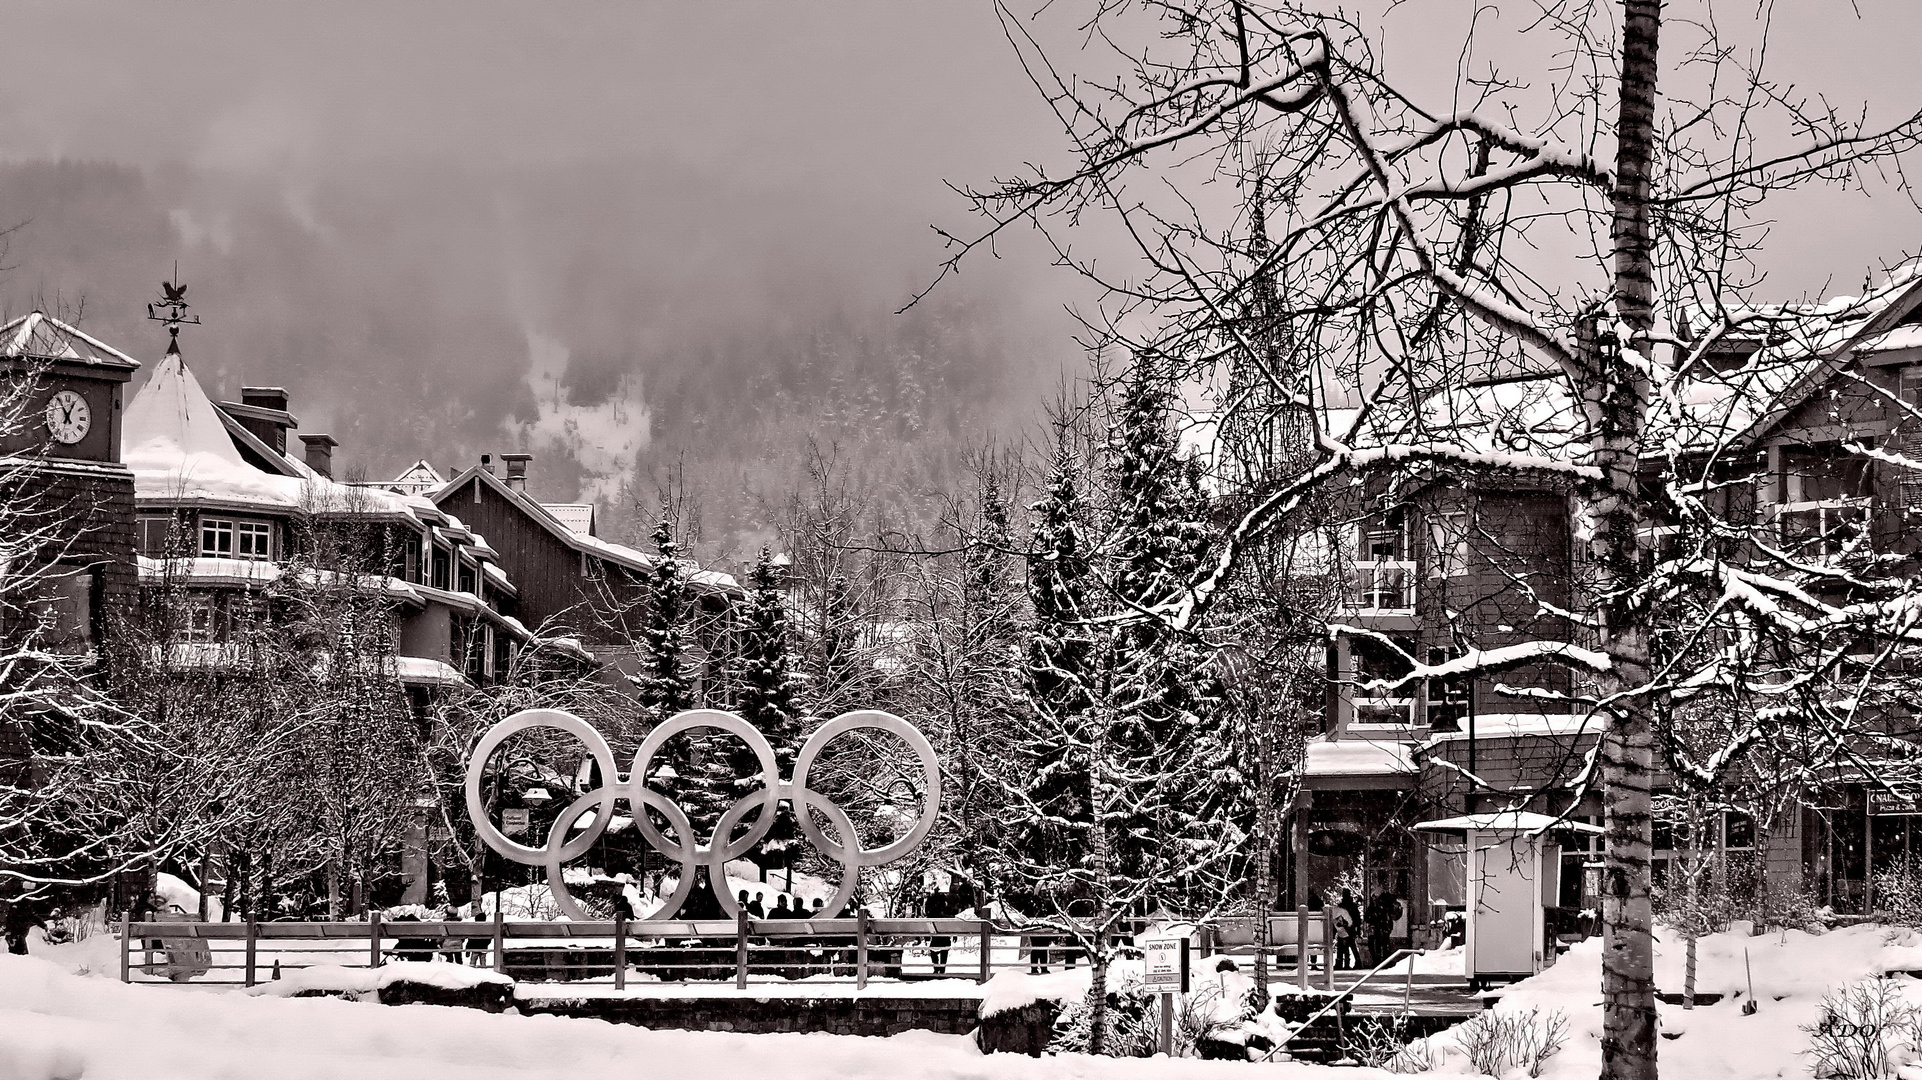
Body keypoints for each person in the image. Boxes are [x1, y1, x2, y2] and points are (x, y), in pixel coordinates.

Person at [925, 885, 955, 975]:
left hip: (936, 929)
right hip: (944, 930)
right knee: (944, 950)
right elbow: (952, 917)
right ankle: (941, 969)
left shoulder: (931, 902)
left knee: (934, 949)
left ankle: (937, 968)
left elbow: (927, 914)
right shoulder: (946, 905)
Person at [1332, 891, 1358, 970]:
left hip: (1344, 929)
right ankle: (1353, 962)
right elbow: (1355, 918)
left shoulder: (1340, 907)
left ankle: (1340, 963)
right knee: (1349, 946)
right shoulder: (1352, 907)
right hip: (1349, 928)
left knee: (1342, 946)